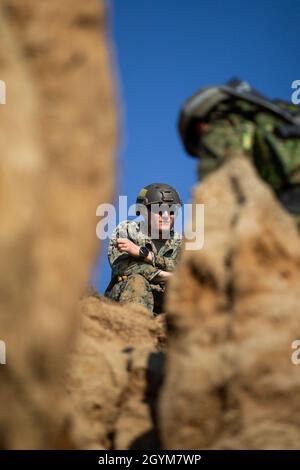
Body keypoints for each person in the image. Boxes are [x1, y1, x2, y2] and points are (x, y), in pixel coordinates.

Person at [104, 183, 183, 314]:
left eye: (171, 211)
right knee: (137, 280)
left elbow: (186, 271)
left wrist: (145, 255)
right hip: (128, 296)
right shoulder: (128, 230)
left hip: (165, 302)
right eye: (159, 210)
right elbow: (122, 266)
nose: (166, 216)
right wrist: (165, 275)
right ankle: (135, 329)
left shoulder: (181, 243)